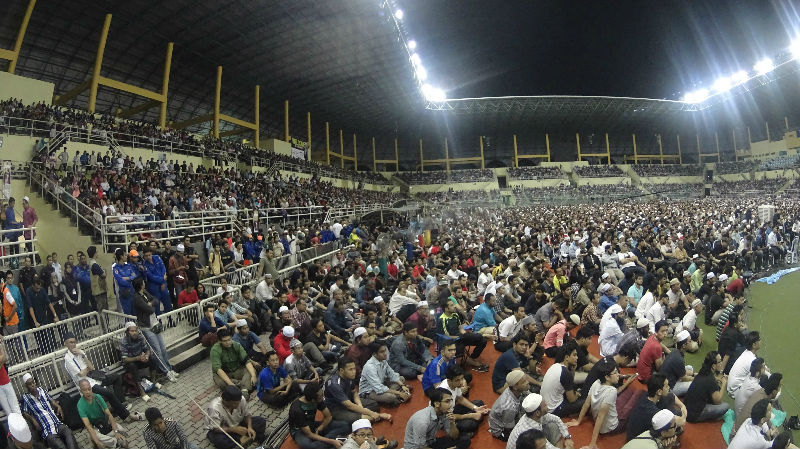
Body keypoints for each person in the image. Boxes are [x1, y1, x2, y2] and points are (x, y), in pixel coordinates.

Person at [63, 332, 136, 421]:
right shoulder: (68, 359)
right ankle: (125, 415)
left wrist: (83, 355)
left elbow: (92, 367)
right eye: (70, 342)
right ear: (65, 344)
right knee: (109, 393)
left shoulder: (79, 353)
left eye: (74, 342)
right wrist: (88, 368)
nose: (73, 344)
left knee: (116, 377)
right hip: (86, 384)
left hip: (94, 378)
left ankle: (121, 404)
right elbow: (81, 374)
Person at [572, 358, 642, 448]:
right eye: (616, 373)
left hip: (599, 419)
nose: (618, 375)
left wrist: (578, 421)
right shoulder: (611, 391)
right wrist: (592, 443)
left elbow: (586, 404)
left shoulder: (596, 382)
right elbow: (601, 417)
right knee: (637, 395)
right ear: (607, 377)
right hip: (611, 427)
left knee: (624, 395)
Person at [131, 279, 179, 382]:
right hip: (147, 328)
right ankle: (166, 372)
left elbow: (156, 300)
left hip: (155, 324)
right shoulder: (136, 298)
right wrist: (150, 305)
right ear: (140, 285)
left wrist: (150, 303)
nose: (145, 283)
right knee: (157, 351)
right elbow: (150, 310)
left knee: (163, 349)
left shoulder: (145, 292)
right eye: (143, 282)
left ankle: (169, 369)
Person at [324, 356, 390, 427]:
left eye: (354, 368)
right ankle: (367, 416)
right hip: (336, 409)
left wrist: (360, 406)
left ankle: (357, 414)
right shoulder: (334, 384)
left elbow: (354, 393)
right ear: (342, 371)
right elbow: (349, 405)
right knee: (363, 419)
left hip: (348, 400)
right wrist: (374, 414)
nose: (354, 372)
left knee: (374, 404)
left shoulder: (349, 376)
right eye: (350, 369)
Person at [20, 373, 79, 449]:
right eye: (29, 384)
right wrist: (33, 420)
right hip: (47, 430)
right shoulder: (26, 398)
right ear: (26, 386)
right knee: (59, 445)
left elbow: (51, 400)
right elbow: (23, 411)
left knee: (69, 433)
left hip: (57, 423)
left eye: (33, 382)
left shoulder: (42, 390)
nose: (32, 385)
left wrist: (58, 406)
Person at [289, 382, 350, 449]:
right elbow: (309, 434)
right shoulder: (297, 409)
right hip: (300, 431)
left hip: (312, 425)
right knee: (310, 446)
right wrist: (331, 441)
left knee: (345, 425)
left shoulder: (317, 399)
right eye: (321, 397)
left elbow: (328, 416)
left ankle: (329, 441)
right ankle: (333, 440)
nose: (322, 397)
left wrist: (320, 428)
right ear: (312, 400)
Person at [404, 387, 469, 449]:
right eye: (447, 401)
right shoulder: (422, 422)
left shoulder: (444, 412)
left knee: (465, 440)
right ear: (437, 404)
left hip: (431, 442)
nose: (450, 404)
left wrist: (452, 423)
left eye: (451, 401)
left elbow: (454, 436)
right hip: (417, 447)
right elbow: (420, 447)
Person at [77, 379, 130, 449]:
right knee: (97, 437)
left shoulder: (98, 397)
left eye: (89, 389)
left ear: (91, 388)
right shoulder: (80, 405)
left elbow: (109, 415)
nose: (88, 392)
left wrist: (116, 432)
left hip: (105, 423)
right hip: (95, 427)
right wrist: (97, 442)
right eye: (84, 390)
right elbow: (88, 426)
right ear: (81, 391)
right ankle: (116, 443)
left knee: (121, 430)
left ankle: (109, 442)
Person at [120, 322, 164, 401]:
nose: (134, 333)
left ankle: (153, 382)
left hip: (140, 359)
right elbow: (124, 359)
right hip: (130, 362)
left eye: (135, 331)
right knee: (132, 366)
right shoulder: (124, 341)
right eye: (132, 331)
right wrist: (137, 358)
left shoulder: (140, 337)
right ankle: (142, 391)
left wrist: (146, 356)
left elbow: (147, 350)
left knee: (153, 359)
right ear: (127, 332)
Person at [439, 365, 488, 436]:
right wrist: (470, 415)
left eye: (462, 379)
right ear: (450, 381)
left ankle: (475, 417)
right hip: (446, 420)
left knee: (479, 403)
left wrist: (476, 408)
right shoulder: (444, 392)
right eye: (457, 380)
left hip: (452, 410)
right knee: (471, 424)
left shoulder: (455, 384)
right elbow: (450, 416)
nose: (461, 382)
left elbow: (460, 399)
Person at [358, 342, 410, 407]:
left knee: (401, 378)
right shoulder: (370, 367)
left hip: (381, 384)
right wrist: (399, 393)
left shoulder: (382, 360)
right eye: (382, 352)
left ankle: (397, 392)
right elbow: (379, 388)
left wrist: (402, 385)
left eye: (385, 350)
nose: (385, 353)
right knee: (390, 397)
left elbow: (392, 374)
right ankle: (398, 394)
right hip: (369, 391)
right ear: (374, 354)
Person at [684, 351, 730, 423]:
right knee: (725, 406)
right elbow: (718, 401)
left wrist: (716, 379)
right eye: (719, 361)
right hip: (694, 415)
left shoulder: (702, 371)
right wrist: (724, 383)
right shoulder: (710, 380)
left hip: (686, 408)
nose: (721, 363)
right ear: (713, 366)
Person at [541, 341, 583, 418]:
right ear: (566, 357)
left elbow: (568, 383)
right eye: (574, 355)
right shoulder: (565, 372)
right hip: (554, 410)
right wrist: (577, 395)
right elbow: (572, 400)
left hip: (545, 405)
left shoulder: (555, 365)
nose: (577, 358)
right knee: (584, 402)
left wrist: (573, 371)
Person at [210, 328, 256, 394]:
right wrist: (230, 383)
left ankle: (243, 390)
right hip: (224, 373)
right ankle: (243, 385)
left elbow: (247, 361)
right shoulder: (215, 350)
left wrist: (253, 375)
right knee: (221, 383)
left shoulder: (237, 345)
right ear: (219, 341)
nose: (228, 342)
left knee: (251, 371)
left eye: (229, 339)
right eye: (225, 341)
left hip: (237, 369)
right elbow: (218, 369)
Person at [489, 370, 531, 440]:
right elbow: (509, 427)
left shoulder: (516, 390)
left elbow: (530, 395)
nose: (528, 382)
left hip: (511, 416)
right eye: (524, 382)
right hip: (502, 429)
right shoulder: (509, 407)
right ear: (515, 387)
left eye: (526, 379)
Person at [659, 330, 694, 397]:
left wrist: (693, 374)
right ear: (684, 345)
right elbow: (684, 378)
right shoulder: (679, 359)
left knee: (690, 367)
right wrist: (697, 377)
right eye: (689, 341)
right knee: (693, 383)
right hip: (669, 388)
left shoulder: (675, 352)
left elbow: (682, 370)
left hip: (669, 379)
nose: (691, 342)